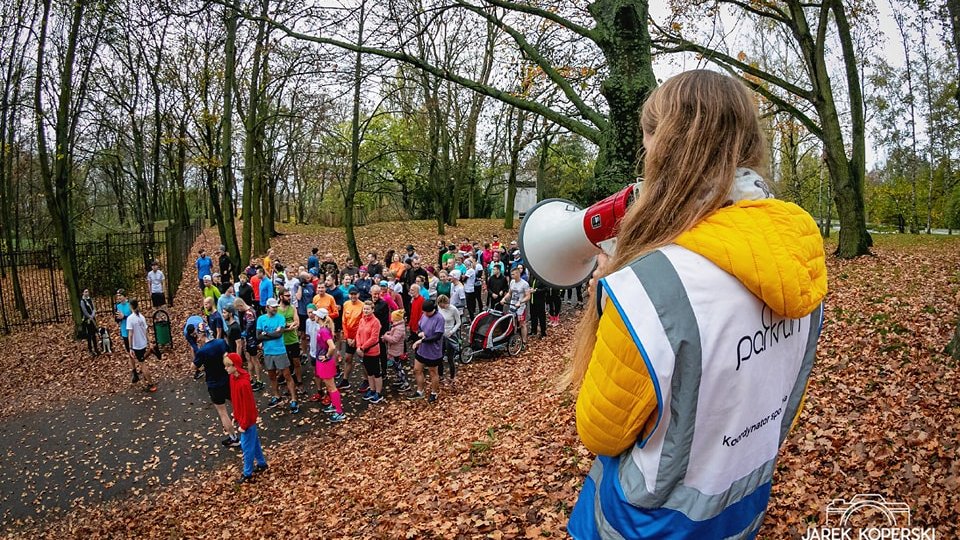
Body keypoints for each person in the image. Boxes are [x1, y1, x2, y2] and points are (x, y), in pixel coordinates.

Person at [565, 70, 828, 539]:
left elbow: (600, 432)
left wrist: (615, 303)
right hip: (742, 509)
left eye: (647, 143)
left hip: (643, 524)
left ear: (663, 146)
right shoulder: (800, 262)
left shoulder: (649, 288)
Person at [223, 352, 268, 483]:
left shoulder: (243, 383)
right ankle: (261, 463)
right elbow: (236, 399)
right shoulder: (233, 378)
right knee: (254, 442)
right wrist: (235, 415)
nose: (226, 368)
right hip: (243, 418)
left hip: (247, 420)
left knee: (247, 447)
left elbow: (248, 406)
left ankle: (247, 473)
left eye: (228, 366)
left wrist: (244, 424)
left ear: (235, 366)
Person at [193, 331, 238, 445]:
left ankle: (233, 438)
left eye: (198, 336)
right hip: (227, 379)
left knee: (222, 412)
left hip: (214, 384)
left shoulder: (202, 351)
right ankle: (244, 424)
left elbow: (194, 366)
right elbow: (230, 354)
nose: (198, 339)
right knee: (236, 402)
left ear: (202, 335)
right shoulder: (221, 342)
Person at [257, 297, 299, 413]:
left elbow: (279, 334)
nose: (275, 309)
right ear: (267, 307)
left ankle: (294, 399)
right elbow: (258, 336)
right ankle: (276, 396)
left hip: (280, 351)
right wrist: (271, 333)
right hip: (268, 352)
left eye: (276, 307)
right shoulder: (261, 319)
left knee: (287, 375)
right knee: (272, 376)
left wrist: (266, 334)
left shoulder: (280, 318)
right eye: (273, 307)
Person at [312, 309, 345, 423]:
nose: (314, 316)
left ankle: (339, 411)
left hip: (325, 362)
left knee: (331, 386)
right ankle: (334, 405)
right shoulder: (323, 329)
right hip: (322, 362)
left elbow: (332, 347)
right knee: (329, 386)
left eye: (316, 315)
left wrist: (326, 356)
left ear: (320, 317)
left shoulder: (324, 331)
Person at [409, 299, 444, 403]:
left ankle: (434, 393)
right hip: (422, 350)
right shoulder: (424, 315)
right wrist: (420, 333)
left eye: (427, 312)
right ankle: (420, 391)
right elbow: (420, 327)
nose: (425, 314)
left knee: (433, 372)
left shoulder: (439, 318)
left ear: (432, 310)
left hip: (433, 351)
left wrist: (421, 341)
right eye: (423, 312)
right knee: (417, 370)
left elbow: (437, 336)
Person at [234, 298, 265, 392]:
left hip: (252, 339)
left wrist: (244, 333)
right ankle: (251, 378)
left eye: (238, 309)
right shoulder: (249, 311)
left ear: (241, 305)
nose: (239, 311)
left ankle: (259, 380)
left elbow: (249, 325)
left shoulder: (249, 313)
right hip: (248, 340)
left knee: (255, 359)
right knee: (249, 359)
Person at [126, 299, 157, 392]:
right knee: (142, 361)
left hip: (137, 345)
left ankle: (151, 384)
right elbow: (146, 331)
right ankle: (147, 380)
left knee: (142, 364)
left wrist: (130, 347)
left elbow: (130, 334)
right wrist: (149, 342)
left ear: (131, 306)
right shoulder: (141, 317)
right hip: (143, 343)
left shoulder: (130, 318)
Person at [356, 301, 384, 403]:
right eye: (364, 309)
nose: (366, 311)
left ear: (372, 310)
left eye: (368, 309)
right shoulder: (362, 320)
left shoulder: (375, 322)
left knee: (376, 372)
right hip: (363, 351)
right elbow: (358, 333)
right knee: (369, 372)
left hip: (372, 351)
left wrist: (362, 347)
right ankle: (372, 390)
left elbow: (374, 338)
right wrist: (358, 346)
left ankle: (378, 393)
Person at [340, 286, 364, 391]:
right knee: (347, 358)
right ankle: (345, 380)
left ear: (358, 294)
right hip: (349, 337)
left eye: (355, 294)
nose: (353, 296)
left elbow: (362, 324)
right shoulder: (346, 304)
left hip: (359, 337)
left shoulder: (363, 306)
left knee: (363, 360)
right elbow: (344, 322)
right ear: (349, 295)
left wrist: (355, 338)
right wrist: (347, 337)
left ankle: (366, 380)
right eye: (352, 294)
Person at [436, 295, 461, 387]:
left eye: (444, 305)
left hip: (450, 334)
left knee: (450, 357)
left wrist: (452, 331)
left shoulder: (453, 309)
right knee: (440, 356)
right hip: (440, 335)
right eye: (441, 305)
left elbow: (458, 322)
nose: (443, 307)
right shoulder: (439, 308)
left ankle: (452, 376)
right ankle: (441, 375)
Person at [382, 309, 410, 391]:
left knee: (398, 367)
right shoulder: (396, 325)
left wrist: (385, 336)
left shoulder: (399, 328)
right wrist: (388, 334)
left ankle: (405, 383)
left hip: (396, 350)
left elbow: (394, 339)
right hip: (394, 349)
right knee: (395, 366)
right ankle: (400, 379)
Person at [507, 267, 531, 344]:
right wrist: (504, 299)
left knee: (522, 323)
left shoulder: (524, 284)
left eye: (513, 274)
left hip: (520, 308)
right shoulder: (512, 282)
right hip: (512, 305)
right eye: (511, 274)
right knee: (512, 322)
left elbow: (528, 296)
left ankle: (524, 341)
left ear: (518, 274)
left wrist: (520, 302)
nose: (511, 276)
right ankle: (514, 338)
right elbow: (509, 293)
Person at [114, 289, 133, 364]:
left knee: (135, 350)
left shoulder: (130, 305)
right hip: (124, 331)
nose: (118, 298)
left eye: (120, 296)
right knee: (129, 352)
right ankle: (134, 370)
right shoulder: (117, 306)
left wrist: (124, 317)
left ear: (125, 296)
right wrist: (118, 318)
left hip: (132, 330)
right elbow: (117, 319)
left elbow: (134, 318)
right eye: (117, 296)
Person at [80, 288, 99, 356]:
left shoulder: (90, 299)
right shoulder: (82, 301)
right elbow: (84, 311)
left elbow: (93, 308)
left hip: (92, 319)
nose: (87, 293)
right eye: (85, 292)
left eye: (87, 291)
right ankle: (90, 349)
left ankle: (96, 348)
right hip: (87, 320)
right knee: (89, 335)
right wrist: (89, 317)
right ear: (83, 293)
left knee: (94, 334)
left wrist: (93, 315)